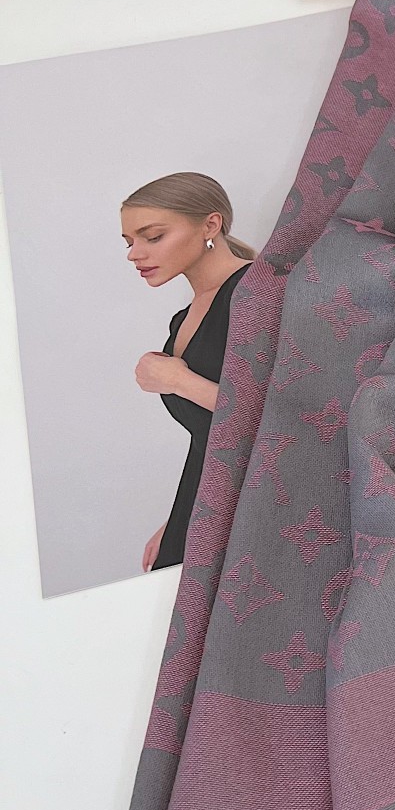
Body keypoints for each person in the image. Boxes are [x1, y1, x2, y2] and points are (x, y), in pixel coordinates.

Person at [120, 172, 257, 571]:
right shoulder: (182, 321)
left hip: (258, 508)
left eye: (153, 236)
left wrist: (177, 380)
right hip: (208, 501)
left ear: (210, 225)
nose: (134, 254)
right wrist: (179, 519)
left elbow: (285, 413)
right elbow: (208, 440)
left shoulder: (258, 293)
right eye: (129, 242)